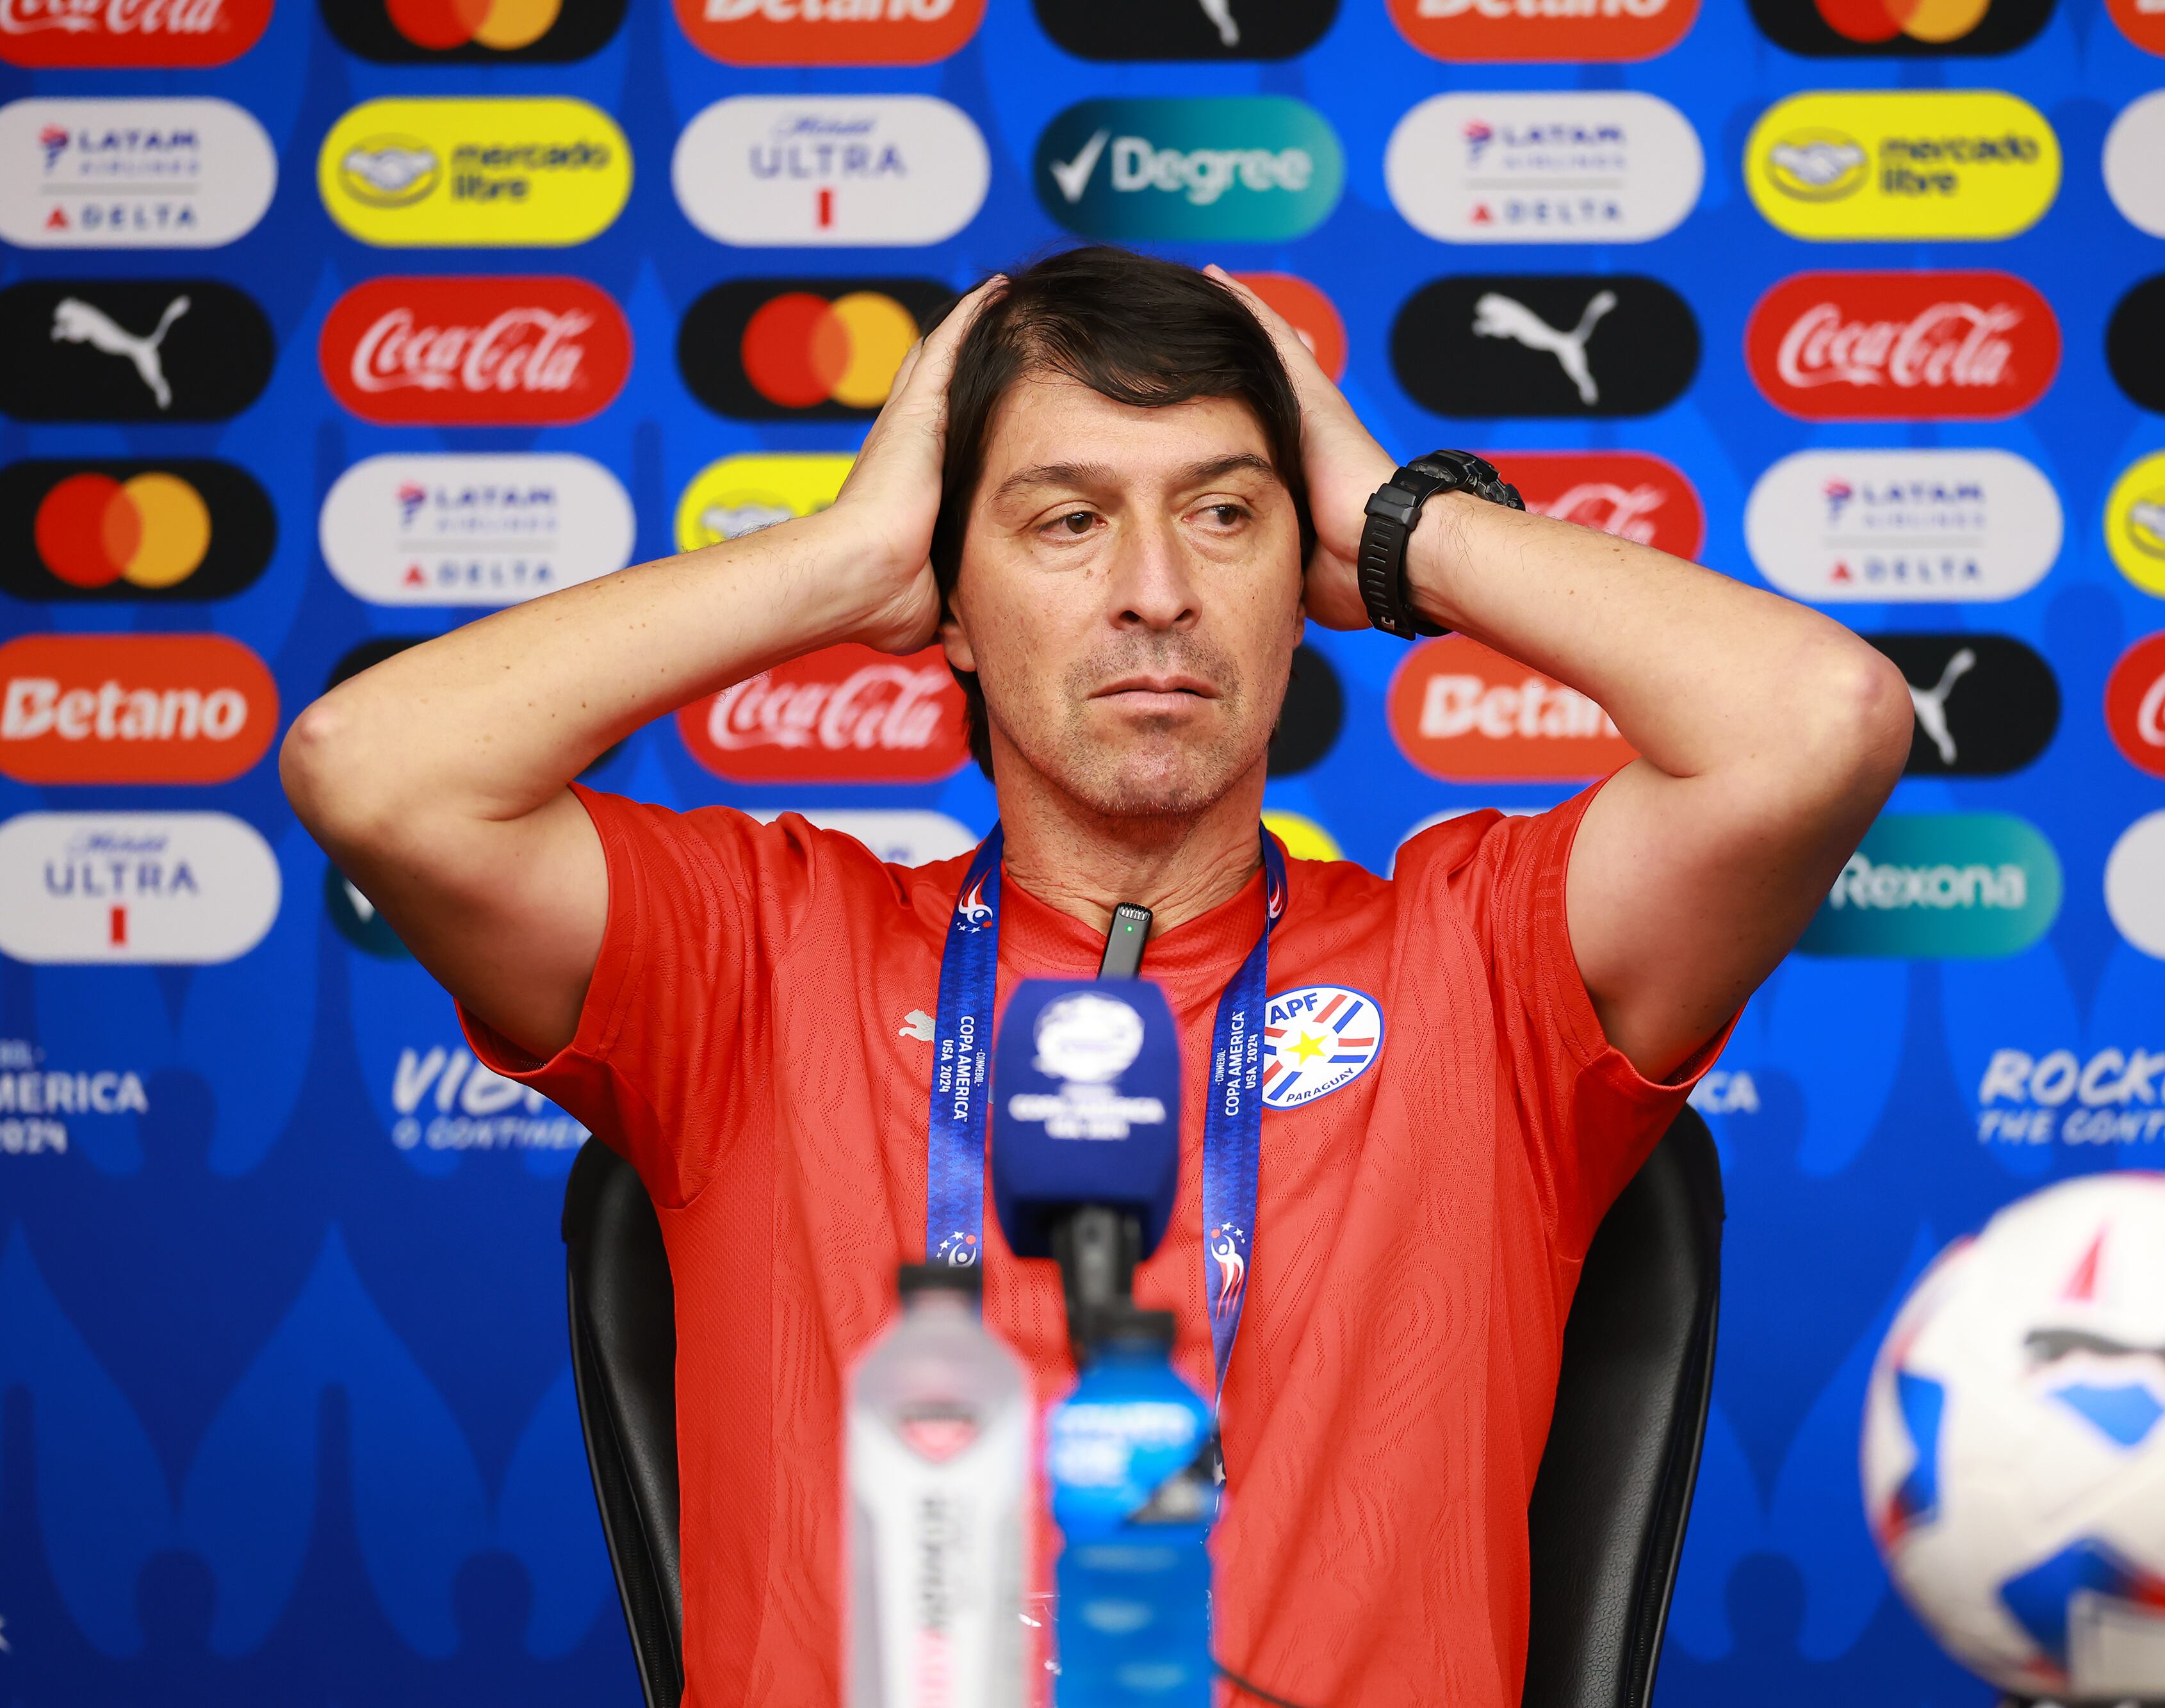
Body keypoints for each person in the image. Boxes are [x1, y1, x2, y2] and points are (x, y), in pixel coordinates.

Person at [282, 247, 1911, 1706]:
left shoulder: (1480, 958)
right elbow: (375, 767)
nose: (1153, 587)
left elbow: (1818, 721)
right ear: (955, 607)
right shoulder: (757, 954)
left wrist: (1412, 526)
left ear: (1305, 588)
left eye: (1223, 513)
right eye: (1065, 521)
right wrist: (843, 556)